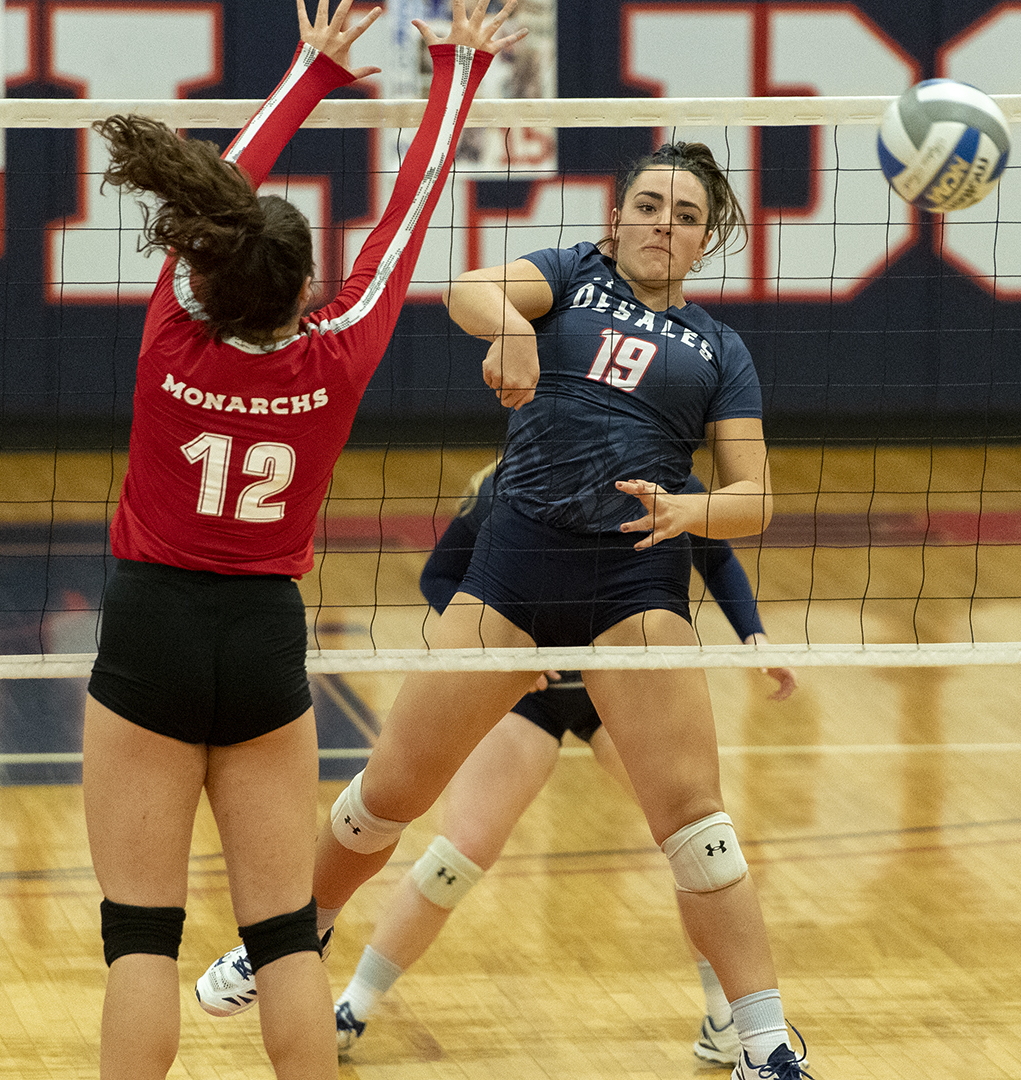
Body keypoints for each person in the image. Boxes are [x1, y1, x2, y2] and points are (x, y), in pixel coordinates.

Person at [198, 141, 815, 1078]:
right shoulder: (568, 274)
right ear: (617, 216)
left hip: (634, 584)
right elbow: (466, 289)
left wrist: (693, 513)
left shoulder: (719, 350)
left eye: (687, 216)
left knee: (700, 830)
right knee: (388, 795)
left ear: (707, 242)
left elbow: (755, 497)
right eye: (650, 205)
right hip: (513, 570)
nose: (664, 224)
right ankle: (287, 939)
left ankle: (765, 1047)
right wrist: (516, 331)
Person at [78, 3, 519, 1078]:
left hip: (149, 626)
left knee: (141, 939)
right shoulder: (338, 354)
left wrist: (311, 70)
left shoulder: (171, 332)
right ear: (308, 286)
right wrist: (457, 68)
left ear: (201, 270)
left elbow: (213, 189)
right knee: (283, 940)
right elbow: (411, 208)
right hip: (263, 637)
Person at [194, 462, 798, 1066]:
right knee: (457, 857)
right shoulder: (515, 483)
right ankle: (354, 1006)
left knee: (694, 849)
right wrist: (502, 651)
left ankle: (727, 1020)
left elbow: (716, 556)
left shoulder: (665, 475)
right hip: (529, 692)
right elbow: (440, 575)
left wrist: (755, 636)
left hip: (622, 689)